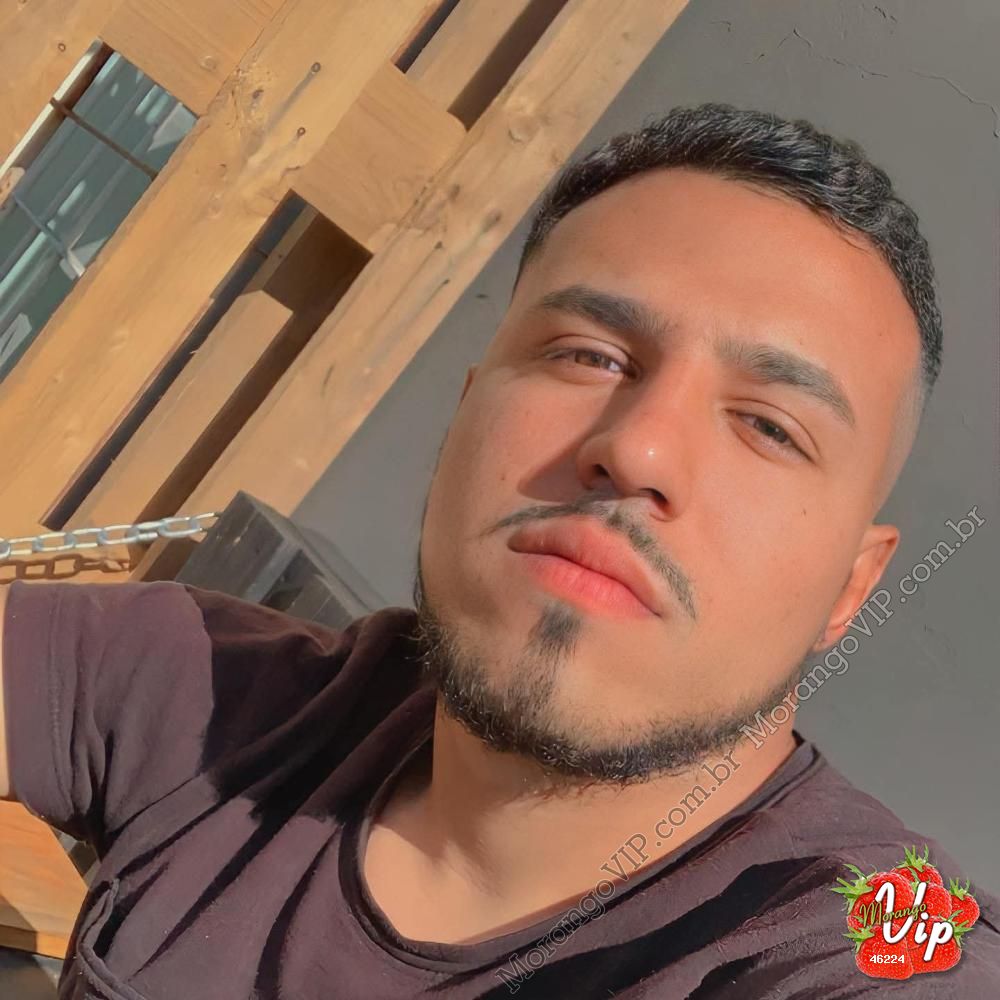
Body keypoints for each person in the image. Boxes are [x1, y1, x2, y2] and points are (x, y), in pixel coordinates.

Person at [1, 103, 997, 999]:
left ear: (851, 586)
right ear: (465, 412)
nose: (638, 451)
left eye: (771, 426)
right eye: (589, 355)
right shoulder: (213, 698)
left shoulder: (871, 944)